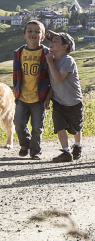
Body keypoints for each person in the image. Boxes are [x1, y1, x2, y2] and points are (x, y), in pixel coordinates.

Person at [13, 19, 50, 160]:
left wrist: (47, 98)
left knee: (37, 127)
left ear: (42, 36)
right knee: (18, 123)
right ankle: (24, 144)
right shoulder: (18, 53)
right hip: (22, 96)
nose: (33, 33)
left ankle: (35, 151)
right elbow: (16, 74)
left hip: (38, 98)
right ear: (24, 35)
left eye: (37, 31)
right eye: (29, 31)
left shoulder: (46, 53)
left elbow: (50, 77)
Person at [45, 31, 83, 163]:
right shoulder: (53, 61)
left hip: (73, 102)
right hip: (58, 101)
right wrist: (48, 98)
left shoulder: (68, 61)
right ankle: (66, 152)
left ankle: (77, 145)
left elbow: (58, 78)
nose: (51, 43)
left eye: (55, 40)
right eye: (51, 41)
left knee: (75, 128)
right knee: (59, 127)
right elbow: (52, 83)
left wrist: (49, 63)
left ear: (65, 46)